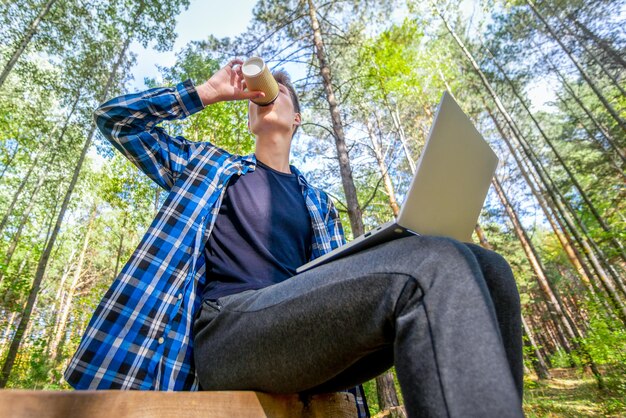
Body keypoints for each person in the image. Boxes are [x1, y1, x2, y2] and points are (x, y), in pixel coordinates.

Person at [65, 59, 524, 417]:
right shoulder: (207, 168)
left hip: (301, 340)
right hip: (227, 335)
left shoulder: (319, 203)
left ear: (297, 118)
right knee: (433, 264)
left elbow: (338, 287)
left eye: (279, 91)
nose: (265, 96)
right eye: (257, 97)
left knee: (489, 268)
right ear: (249, 117)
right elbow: (116, 120)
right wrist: (207, 93)